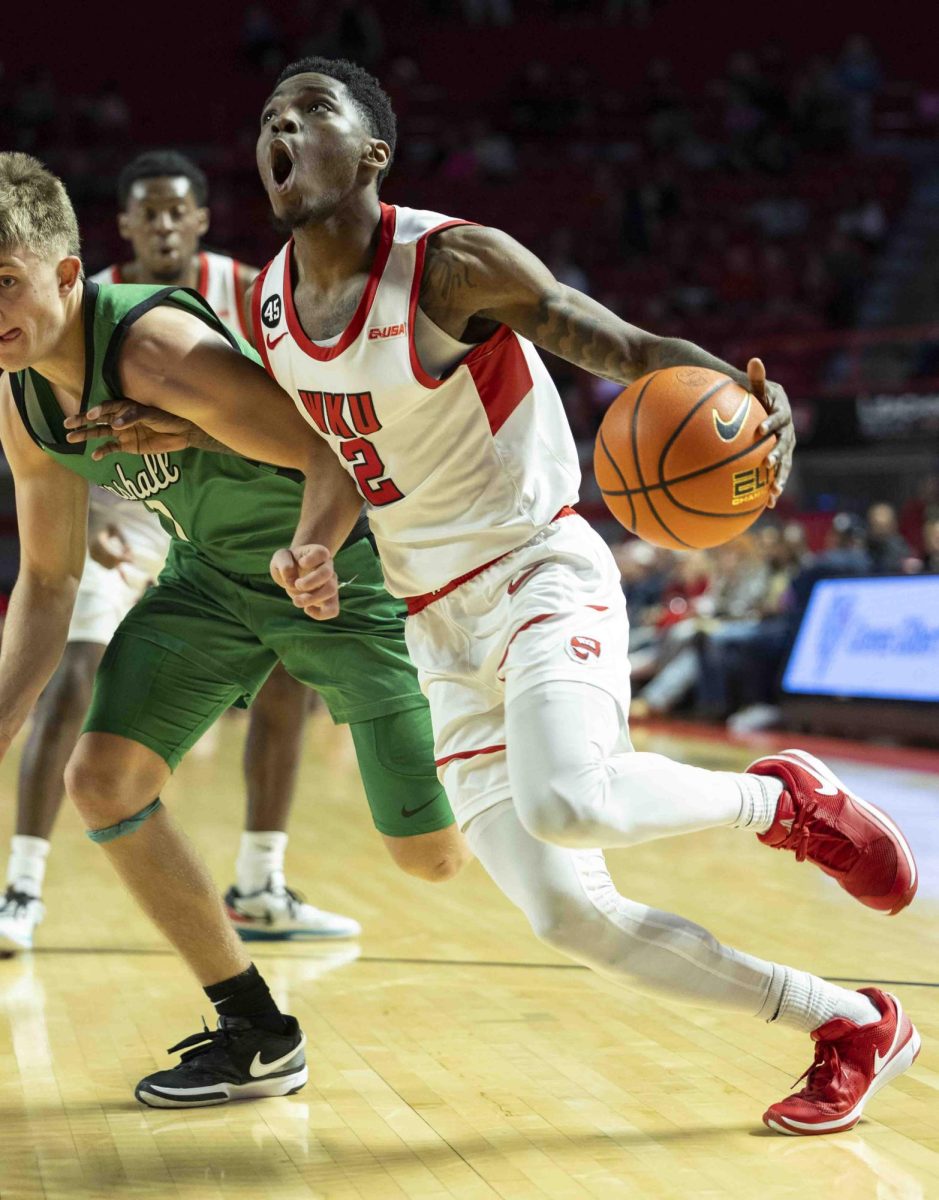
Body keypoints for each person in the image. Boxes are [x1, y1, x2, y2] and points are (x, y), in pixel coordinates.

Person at [219, 57, 917, 1136]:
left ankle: (786, 800)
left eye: (311, 113)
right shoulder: (267, 306)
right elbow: (336, 458)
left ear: (371, 154)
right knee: (569, 916)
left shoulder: (452, 265)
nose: (282, 129)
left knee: (569, 798)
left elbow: (630, 351)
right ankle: (850, 1024)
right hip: (434, 624)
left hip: (539, 568)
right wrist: (311, 548)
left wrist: (744, 401)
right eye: (270, 117)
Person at [0, 151, 468, 1107]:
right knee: (102, 777)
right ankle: (257, 1031)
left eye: (2, 282)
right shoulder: (18, 397)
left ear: (62, 275)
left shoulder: (153, 348)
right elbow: (49, 580)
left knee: (431, 861)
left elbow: (334, 454)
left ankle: (494, 711)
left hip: (335, 575)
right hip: (209, 582)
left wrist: (303, 550)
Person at [0, 149, 359, 952]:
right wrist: (82, 513)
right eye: (147, 212)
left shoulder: (250, 290)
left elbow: (304, 416)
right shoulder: (62, 305)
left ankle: (260, 878)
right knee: (76, 668)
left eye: (177, 210)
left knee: (286, 676)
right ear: (120, 227)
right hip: (112, 499)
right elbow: (44, 476)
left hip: (224, 484)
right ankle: (20, 885)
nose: (163, 223)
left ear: (199, 218)